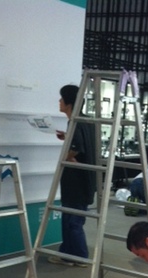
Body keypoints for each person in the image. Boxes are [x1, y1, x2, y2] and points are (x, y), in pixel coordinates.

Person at [49, 84, 97, 267]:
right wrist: (67, 136)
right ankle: (68, 254)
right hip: (84, 179)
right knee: (71, 218)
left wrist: (66, 158)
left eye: (62, 98)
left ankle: (80, 256)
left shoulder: (75, 122)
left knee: (73, 219)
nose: (59, 101)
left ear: (69, 103)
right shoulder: (86, 121)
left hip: (76, 180)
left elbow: (77, 147)